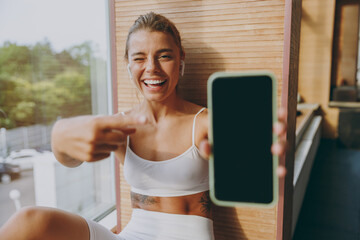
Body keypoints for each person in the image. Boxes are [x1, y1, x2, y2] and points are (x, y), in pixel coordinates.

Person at [0, 12, 287, 240]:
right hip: (132, 235)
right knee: (29, 222)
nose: (151, 67)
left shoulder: (205, 122)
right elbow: (69, 159)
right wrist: (60, 138)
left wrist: (265, 154)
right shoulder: (121, 125)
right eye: (139, 58)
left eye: (164, 55)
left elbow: (248, 159)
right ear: (128, 64)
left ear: (180, 59)